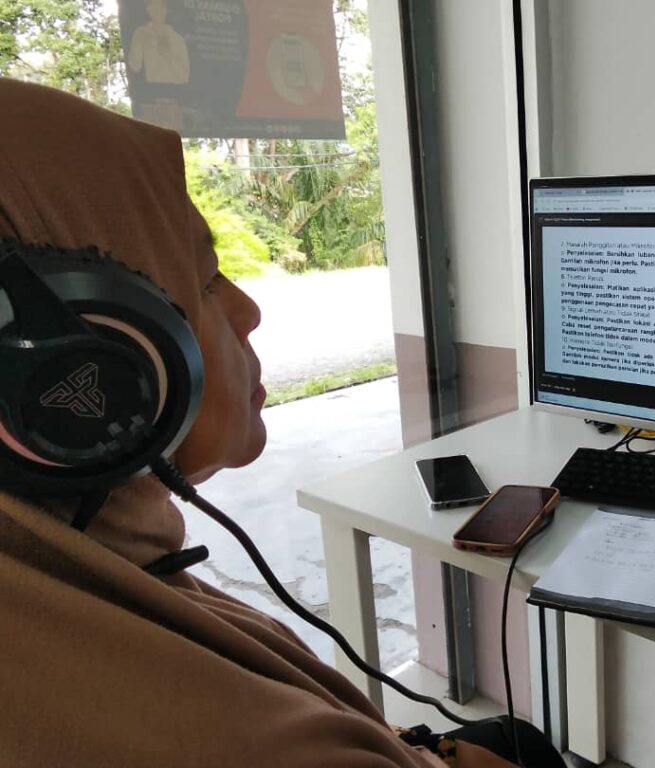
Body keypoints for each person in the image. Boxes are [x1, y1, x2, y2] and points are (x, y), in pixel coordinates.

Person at [0, 80, 549, 767]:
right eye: (204, 279)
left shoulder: (75, 586)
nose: (248, 310)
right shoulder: (260, 744)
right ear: (82, 369)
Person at [128, 0, 190, 85]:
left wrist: (169, 56)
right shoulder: (141, 33)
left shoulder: (177, 39)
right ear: (148, 10)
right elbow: (134, 67)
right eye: (154, 6)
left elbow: (185, 77)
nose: (158, 10)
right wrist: (139, 42)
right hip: (152, 89)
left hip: (176, 90)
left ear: (166, 10)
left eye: (162, 6)